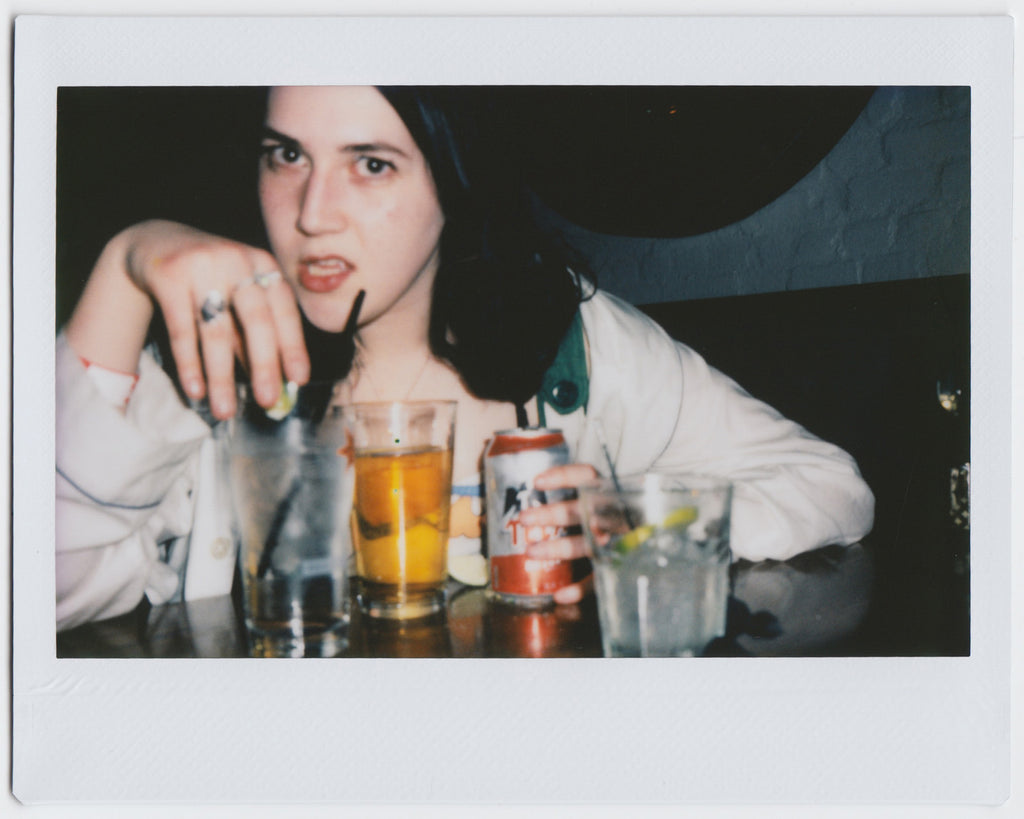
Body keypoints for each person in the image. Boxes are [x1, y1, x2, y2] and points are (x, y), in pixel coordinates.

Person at [55, 85, 875, 631]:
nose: (311, 214)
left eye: (370, 164)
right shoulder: (220, 357)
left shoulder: (576, 347)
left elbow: (829, 485)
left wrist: (629, 524)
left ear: (454, 181)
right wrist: (126, 269)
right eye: (287, 154)